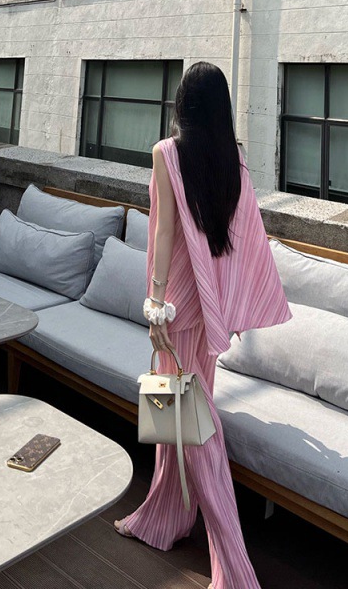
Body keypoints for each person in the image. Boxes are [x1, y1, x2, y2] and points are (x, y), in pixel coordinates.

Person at [114, 61, 292, 589]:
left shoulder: (167, 153)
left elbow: (164, 232)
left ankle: (234, 569)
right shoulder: (232, 161)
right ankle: (162, 518)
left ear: (182, 104)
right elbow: (240, 240)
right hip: (206, 310)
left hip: (177, 310)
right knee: (175, 417)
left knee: (195, 431)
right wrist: (226, 307)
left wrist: (155, 303)